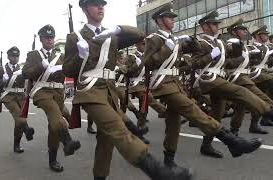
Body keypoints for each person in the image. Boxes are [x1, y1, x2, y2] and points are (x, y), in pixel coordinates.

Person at [64, 0, 192, 179]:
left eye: (102, 4)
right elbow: (68, 70)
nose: (101, 7)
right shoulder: (75, 37)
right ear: (84, 8)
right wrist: (80, 56)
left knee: (106, 141)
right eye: (95, 4)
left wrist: (117, 28)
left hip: (109, 92)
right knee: (117, 129)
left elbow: (139, 35)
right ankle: (157, 170)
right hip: (89, 91)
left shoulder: (111, 35)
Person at [145, 4, 261, 166]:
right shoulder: (155, 39)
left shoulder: (173, 39)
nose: (173, 20)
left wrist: (192, 43)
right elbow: (148, 64)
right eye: (169, 17)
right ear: (159, 20)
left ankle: (168, 161)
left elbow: (192, 58)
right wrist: (167, 48)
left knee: (173, 124)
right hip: (163, 85)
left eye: (172, 17)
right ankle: (232, 142)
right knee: (194, 111)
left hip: (175, 84)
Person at [190, 11, 271, 158]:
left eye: (216, 24)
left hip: (219, 79)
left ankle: (207, 145)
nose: (216, 26)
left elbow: (230, 57)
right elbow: (194, 64)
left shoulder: (220, 43)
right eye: (214, 24)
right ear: (205, 26)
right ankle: (268, 112)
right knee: (240, 91)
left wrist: (241, 50)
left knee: (217, 114)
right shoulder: (201, 43)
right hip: (209, 80)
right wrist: (210, 55)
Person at [22, 25, 80, 172]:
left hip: (58, 92)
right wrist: (41, 66)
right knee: (56, 115)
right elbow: (26, 73)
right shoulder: (34, 55)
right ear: (41, 39)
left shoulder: (60, 56)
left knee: (53, 127)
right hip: (42, 91)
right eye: (47, 37)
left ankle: (52, 159)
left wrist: (77, 54)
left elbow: (71, 70)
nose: (50, 40)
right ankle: (67, 141)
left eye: (52, 37)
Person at [225, 19, 273, 135]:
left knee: (242, 105)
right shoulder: (232, 44)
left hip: (246, 77)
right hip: (239, 77)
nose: (245, 32)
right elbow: (230, 62)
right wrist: (246, 55)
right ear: (234, 31)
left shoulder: (244, 46)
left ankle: (236, 131)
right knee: (262, 99)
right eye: (242, 29)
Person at [0, 46, 35, 153]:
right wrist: (3, 80)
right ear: (8, 56)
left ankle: (17, 144)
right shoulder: (1, 69)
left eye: (17, 56)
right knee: (18, 115)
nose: (15, 58)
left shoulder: (22, 68)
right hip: (8, 96)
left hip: (21, 96)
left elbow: (29, 78)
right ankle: (27, 130)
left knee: (18, 123)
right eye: (13, 56)